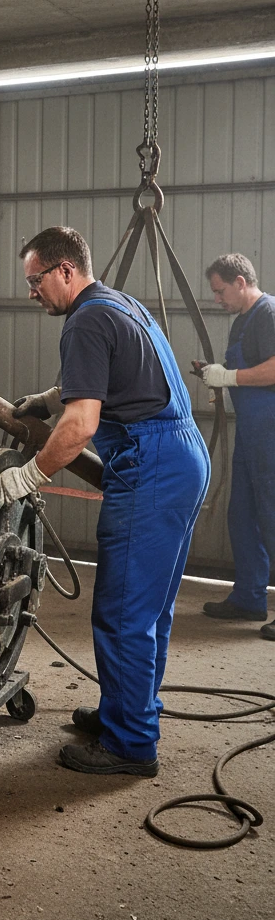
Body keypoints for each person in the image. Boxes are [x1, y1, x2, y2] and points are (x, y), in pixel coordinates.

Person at [0, 226, 210, 777]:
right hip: (183, 456)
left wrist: (28, 476)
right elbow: (117, 378)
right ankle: (126, 711)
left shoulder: (85, 321)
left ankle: (130, 744)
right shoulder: (118, 304)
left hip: (152, 465)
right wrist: (48, 399)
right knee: (149, 609)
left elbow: (82, 424)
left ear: (65, 270)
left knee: (123, 613)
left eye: (36, 280)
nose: (31, 292)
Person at [196, 253, 275, 640]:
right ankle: (249, 597)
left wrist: (228, 377)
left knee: (273, 516)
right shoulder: (243, 320)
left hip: (271, 429)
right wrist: (216, 375)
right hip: (252, 431)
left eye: (220, 290)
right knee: (242, 514)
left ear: (240, 282)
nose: (217, 299)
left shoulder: (267, 313)